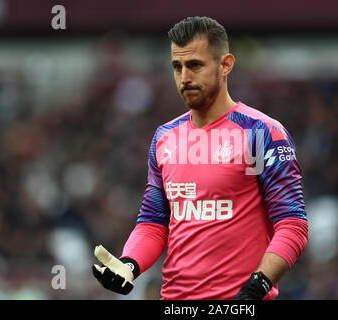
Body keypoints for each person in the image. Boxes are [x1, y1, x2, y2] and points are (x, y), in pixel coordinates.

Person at [92, 16, 308, 300]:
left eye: (195, 65)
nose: (184, 78)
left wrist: (258, 285)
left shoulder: (261, 132)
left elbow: (293, 225)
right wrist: (130, 264)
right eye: (177, 67)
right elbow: (154, 222)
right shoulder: (165, 137)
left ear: (225, 65)